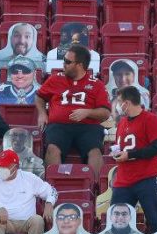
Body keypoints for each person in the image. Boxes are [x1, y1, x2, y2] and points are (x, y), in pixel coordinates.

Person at [37, 44, 111, 174]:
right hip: (59, 126)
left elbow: (105, 113)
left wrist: (88, 112)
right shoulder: (55, 79)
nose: (63, 64)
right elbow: (39, 97)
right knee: (52, 148)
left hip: (88, 127)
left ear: (80, 65)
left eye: (67, 61)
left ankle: (95, 186)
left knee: (95, 151)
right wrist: (42, 113)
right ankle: (54, 185)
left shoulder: (97, 84)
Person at [109, 85, 157, 234]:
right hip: (123, 179)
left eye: (120, 101)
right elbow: (123, 147)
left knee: (155, 220)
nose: (118, 105)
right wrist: (118, 154)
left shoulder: (150, 119)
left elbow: (156, 148)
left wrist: (130, 155)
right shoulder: (122, 122)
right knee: (115, 221)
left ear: (126, 103)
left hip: (146, 178)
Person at [0, 149, 57, 234]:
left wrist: (49, 203)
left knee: (38, 220)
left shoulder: (29, 178)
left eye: (5, 166)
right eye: (0, 165)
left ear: (15, 167)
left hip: (27, 222)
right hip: (5, 222)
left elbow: (51, 191)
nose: (1, 168)